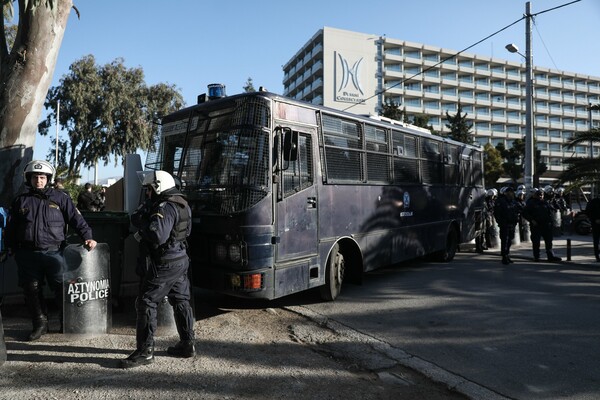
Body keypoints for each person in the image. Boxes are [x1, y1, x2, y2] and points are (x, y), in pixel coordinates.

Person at [5, 160, 97, 341]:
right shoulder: (20, 200)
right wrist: (10, 248)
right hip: (27, 254)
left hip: (54, 252)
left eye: (42, 177)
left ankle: (67, 322)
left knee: (62, 288)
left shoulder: (61, 198)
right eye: (34, 177)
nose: (38, 180)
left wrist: (87, 236)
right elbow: (11, 227)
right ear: (28, 179)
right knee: (31, 289)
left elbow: (76, 219)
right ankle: (40, 324)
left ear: (48, 179)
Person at [120, 170, 195, 368]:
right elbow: (186, 231)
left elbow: (157, 236)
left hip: (165, 262)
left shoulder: (164, 206)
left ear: (158, 187)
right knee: (181, 300)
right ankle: (187, 344)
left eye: (150, 189)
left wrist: (144, 228)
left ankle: (145, 351)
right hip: (180, 258)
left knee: (146, 302)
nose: (147, 193)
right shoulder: (182, 203)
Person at [522, 188, 562, 262]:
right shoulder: (531, 203)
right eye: (539, 195)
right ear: (535, 195)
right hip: (536, 225)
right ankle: (536, 256)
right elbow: (524, 213)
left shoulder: (545, 202)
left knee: (549, 241)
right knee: (536, 242)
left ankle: (550, 256)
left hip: (546, 225)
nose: (540, 196)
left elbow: (552, 210)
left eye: (542, 195)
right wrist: (532, 220)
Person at [494, 186, 521, 264]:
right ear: (506, 193)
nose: (511, 193)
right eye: (509, 192)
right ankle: (504, 256)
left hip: (512, 224)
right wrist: (500, 222)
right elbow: (497, 213)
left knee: (509, 241)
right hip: (504, 224)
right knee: (505, 241)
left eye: (512, 192)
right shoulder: (501, 201)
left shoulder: (513, 202)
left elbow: (517, 210)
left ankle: (507, 254)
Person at [585, 196, 600, 262]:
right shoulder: (594, 201)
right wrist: (594, 220)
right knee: (596, 240)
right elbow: (588, 211)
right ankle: (597, 256)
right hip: (596, 224)